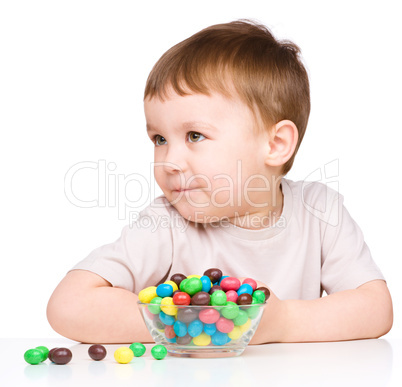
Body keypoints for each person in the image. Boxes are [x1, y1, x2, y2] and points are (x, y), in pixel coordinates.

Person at [47, 19, 393, 344]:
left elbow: (376, 309)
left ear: (275, 145)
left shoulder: (320, 211)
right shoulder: (164, 224)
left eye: (195, 135)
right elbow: (69, 306)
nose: (170, 161)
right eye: (159, 139)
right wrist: (188, 320)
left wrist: (281, 321)